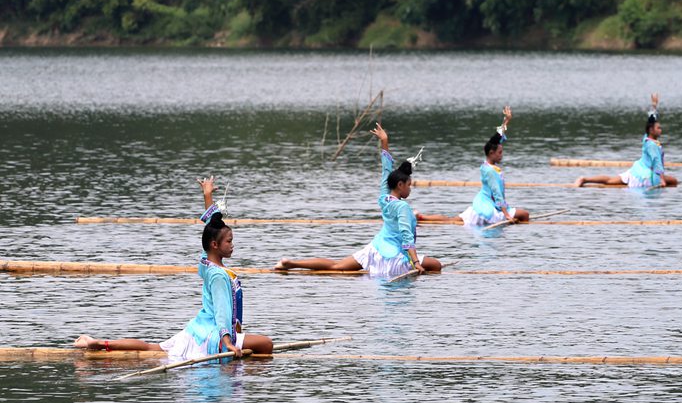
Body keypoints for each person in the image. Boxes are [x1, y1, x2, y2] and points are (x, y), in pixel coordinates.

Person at [74, 177, 273, 360]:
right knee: (266, 344)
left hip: (198, 329)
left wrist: (207, 195)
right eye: (229, 241)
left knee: (154, 348)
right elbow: (221, 313)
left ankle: (99, 343)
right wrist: (228, 343)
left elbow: (211, 224)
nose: (232, 245)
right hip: (214, 336)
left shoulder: (206, 263)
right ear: (215, 245)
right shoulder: (219, 275)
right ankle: (98, 343)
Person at [274, 123, 442, 277]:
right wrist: (416, 263)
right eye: (409, 185)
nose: (410, 189)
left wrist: (384, 141)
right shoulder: (402, 207)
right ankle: (400, 267)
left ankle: (289, 263)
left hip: (375, 248)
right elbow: (406, 237)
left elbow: (386, 168)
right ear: (400, 184)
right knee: (436, 265)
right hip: (394, 257)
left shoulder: (384, 196)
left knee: (336, 265)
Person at [416, 106, 531, 226]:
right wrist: (507, 215)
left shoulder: (487, 164)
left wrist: (506, 120)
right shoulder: (490, 171)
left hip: (486, 203)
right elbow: (497, 195)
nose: (501, 155)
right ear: (491, 153)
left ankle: (423, 217)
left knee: (454, 220)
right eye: (500, 153)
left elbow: (497, 138)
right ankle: (423, 217)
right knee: (525, 215)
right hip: (489, 208)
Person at [574, 93, 678, 188]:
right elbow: (657, 164)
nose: (661, 130)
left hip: (640, 170)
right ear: (651, 130)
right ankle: (584, 179)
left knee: (611, 180)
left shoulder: (647, 137)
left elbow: (651, 120)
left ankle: (585, 179)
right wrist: (662, 180)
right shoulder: (652, 145)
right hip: (644, 175)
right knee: (673, 181)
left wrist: (654, 105)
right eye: (658, 128)